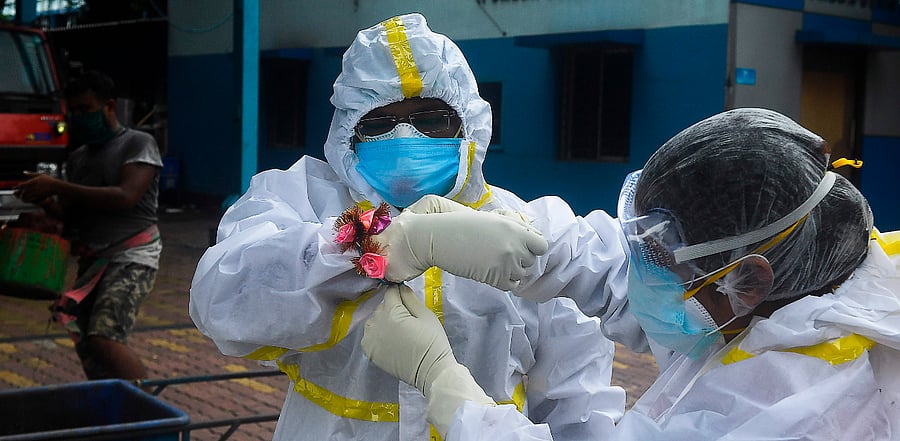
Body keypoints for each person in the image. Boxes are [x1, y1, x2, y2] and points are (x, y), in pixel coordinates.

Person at [189, 12, 633, 441]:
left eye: (432, 120)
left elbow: (579, 409)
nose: (405, 138)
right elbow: (222, 303)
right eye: (379, 123)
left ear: (470, 127)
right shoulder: (301, 199)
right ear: (348, 133)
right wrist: (366, 244)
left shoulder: (524, 236)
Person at [362, 108, 900, 440]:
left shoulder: (795, 409)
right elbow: (624, 271)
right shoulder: (809, 282)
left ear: (750, 280)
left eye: (661, 268)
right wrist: (524, 241)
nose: (640, 279)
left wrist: (447, 389)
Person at [14, 70, 163, 381]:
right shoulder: (80, 158)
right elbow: (72, 215)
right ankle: (110, 409)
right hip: (93, 259)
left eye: (86, 109)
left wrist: (57, 185)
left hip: (131, 256)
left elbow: (126, 196)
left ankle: (153, 416)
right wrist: (42, 201)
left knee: (105, 337)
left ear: (109, 107)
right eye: (75, 111)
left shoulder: (138, 143)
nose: (79, 117)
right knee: (86, 342)